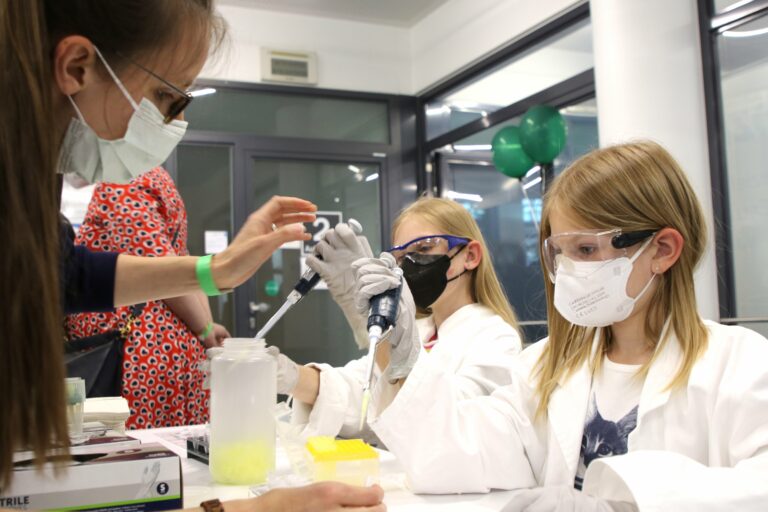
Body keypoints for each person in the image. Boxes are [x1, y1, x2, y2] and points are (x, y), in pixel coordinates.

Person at [0, 1, 383, 509]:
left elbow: (63, 274)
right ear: (76, 67)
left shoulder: (27, 186)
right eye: (167, 97)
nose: (173, 121)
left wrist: (215, 270)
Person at [356, 142, 768, 510]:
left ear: (661, 249)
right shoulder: (546, 366)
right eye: (559, 252)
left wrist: (631, 506)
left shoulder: (740, 363)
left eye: (586, 249)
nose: (568, 271)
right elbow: (457, 456)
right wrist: (402, 357)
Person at [273, 198, 523, 442]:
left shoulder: (496, 339)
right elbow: (361, 392)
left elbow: (451, 426)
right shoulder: (420, 329)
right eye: (400, 257)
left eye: (424, 248)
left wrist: (381, 331)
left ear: (469, 256)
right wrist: (287, 374)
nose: (410, 265)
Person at [66, 166, 229, 428]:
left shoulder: (124, 182)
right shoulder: (158, 180)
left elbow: (165, 269)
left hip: (136, 350)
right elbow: (184, 265)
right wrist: (207, 327)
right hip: (164, 350)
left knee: (132, 451)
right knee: (173, 452)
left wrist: (206, 330)